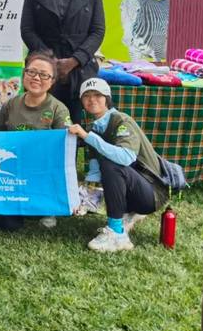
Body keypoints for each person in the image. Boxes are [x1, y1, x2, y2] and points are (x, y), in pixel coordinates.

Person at [68, 78, 169, 252]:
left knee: (111, 163)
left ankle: (117, 234)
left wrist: (86, 136)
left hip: (152, 193)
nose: (92, 100)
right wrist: (87, 198)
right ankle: (126, 215)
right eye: (87, 96)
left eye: (97, 95)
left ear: (107, 98)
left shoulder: (122, 121)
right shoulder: (94, 128)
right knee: (105, 164)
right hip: (132, 190)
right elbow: (94, 168)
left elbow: (125, 158)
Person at [21, 0, 104, 125]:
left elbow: (97, 31)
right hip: (44, 68)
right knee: (40, 122)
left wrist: (74, 61)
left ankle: (73, 154)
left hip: (80, 68)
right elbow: (27, 30)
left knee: (75, 126)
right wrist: (50, 61)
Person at [0, 51, 72, 232]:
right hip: (13, 170)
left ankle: (48, 208)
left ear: (52, 81)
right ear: (24, 75)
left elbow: (65, 148)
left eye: (44, 75)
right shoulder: (10, 105)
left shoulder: (58, 109)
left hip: (42, 170)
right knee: (7, 225)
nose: (36, 78)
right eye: (31, 72)